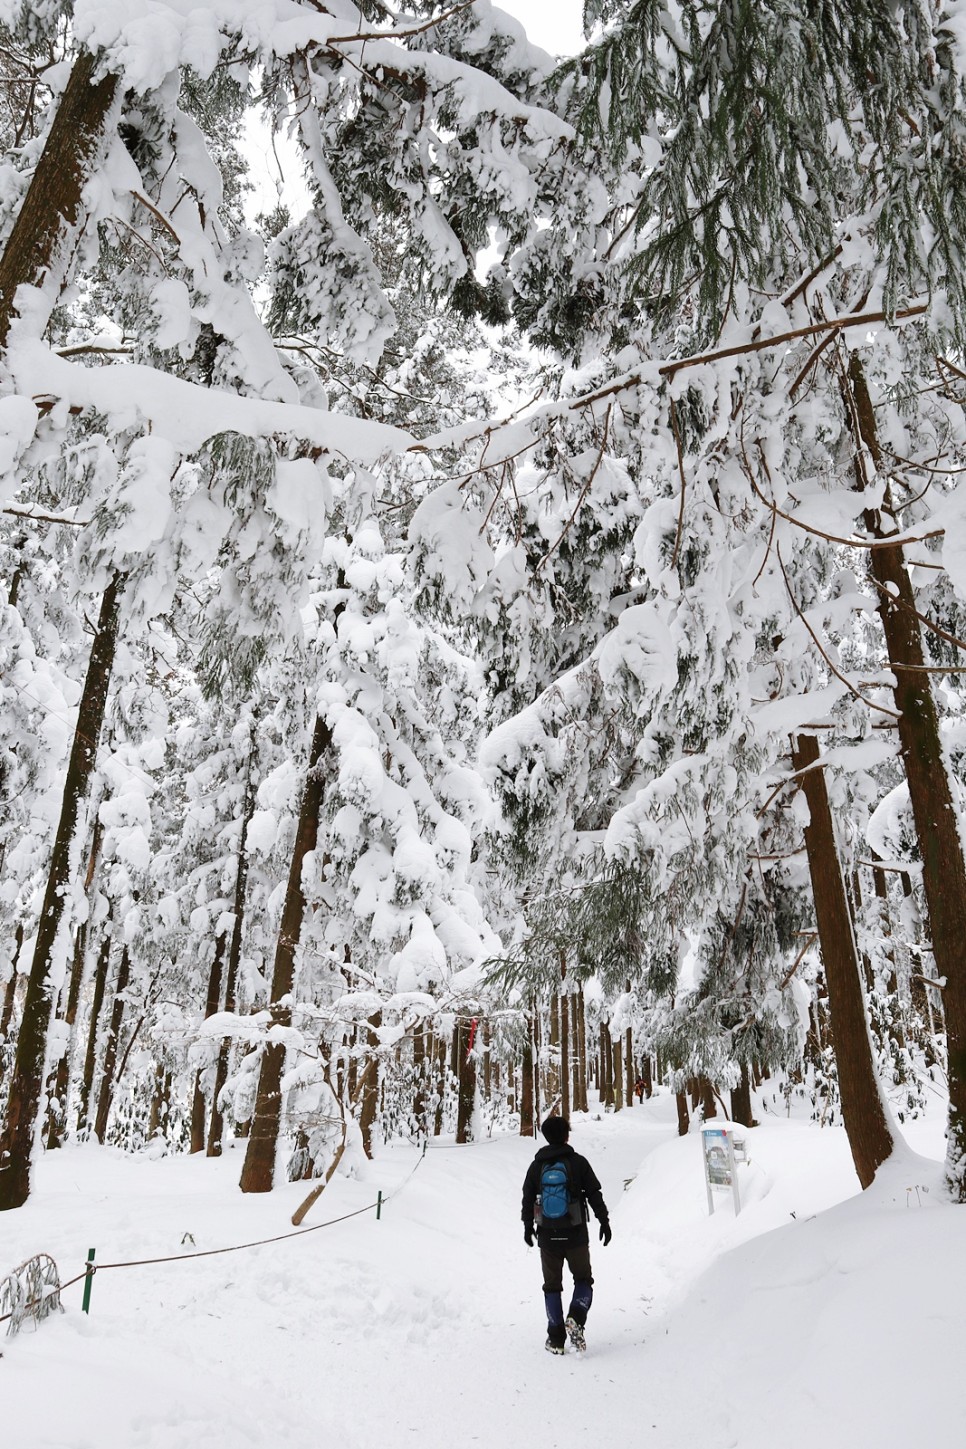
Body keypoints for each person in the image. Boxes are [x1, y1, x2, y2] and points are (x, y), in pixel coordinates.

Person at [521, 1115, 611, 1355]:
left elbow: (527, 1198)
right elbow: (594, 1193)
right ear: (566, 1136)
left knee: (552, 1286)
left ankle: (555, 1339)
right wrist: (604, 1221)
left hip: (547, 1235)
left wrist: (527, 1226)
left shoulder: (536, 1166)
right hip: (576, 1234)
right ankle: (576, 1317)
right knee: (583, 1279)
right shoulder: (578, 1162)